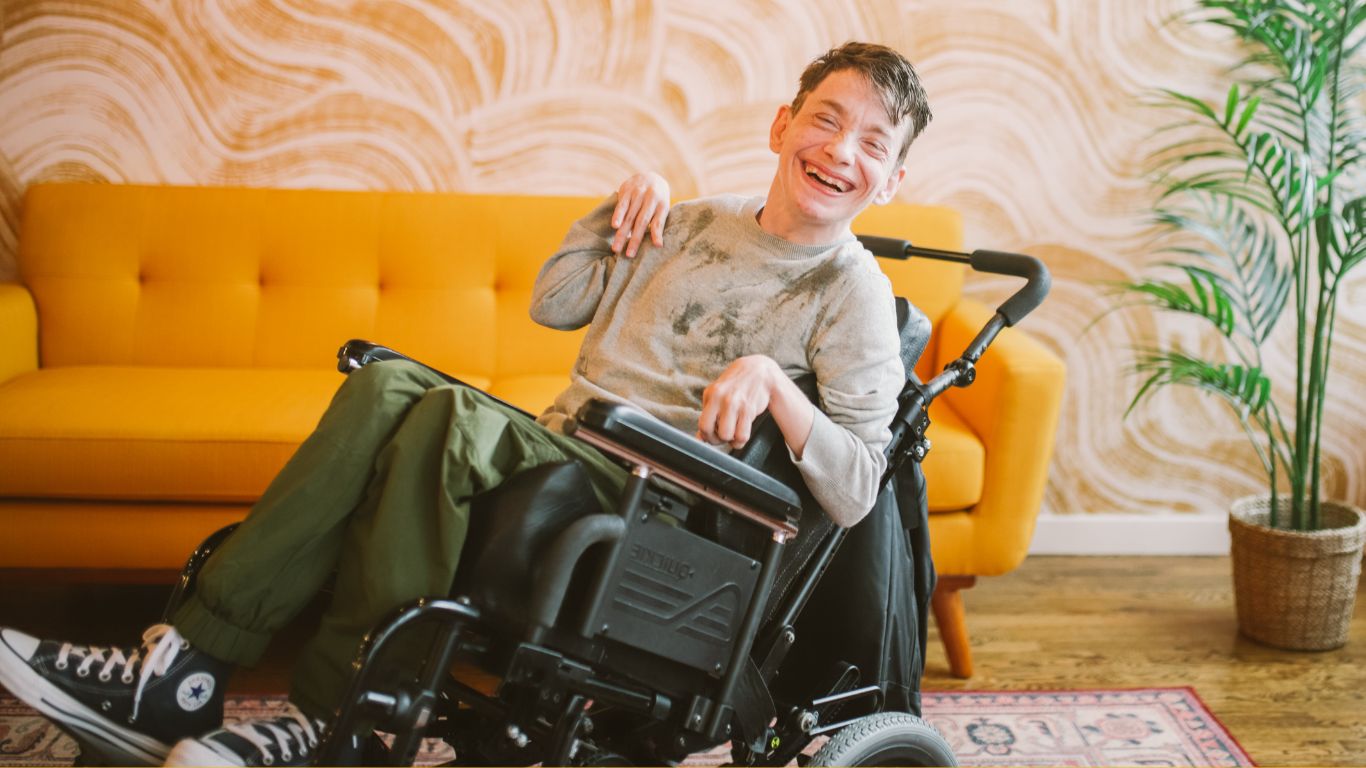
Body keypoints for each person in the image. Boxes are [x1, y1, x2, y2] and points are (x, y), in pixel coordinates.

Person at [0, 41, 932, 767]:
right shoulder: (692, 220)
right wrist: (616, 212)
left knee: (446, 422)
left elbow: (856, 488)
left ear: (890, 181)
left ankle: (336, 720)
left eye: (871, 144)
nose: (839, 150)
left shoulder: (849, 293)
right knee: (385, 383)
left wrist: (776, 388)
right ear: (781, 125)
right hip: (572, 450)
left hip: (657, 503)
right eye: (825, 119)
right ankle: (188, 668)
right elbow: (555, 305)